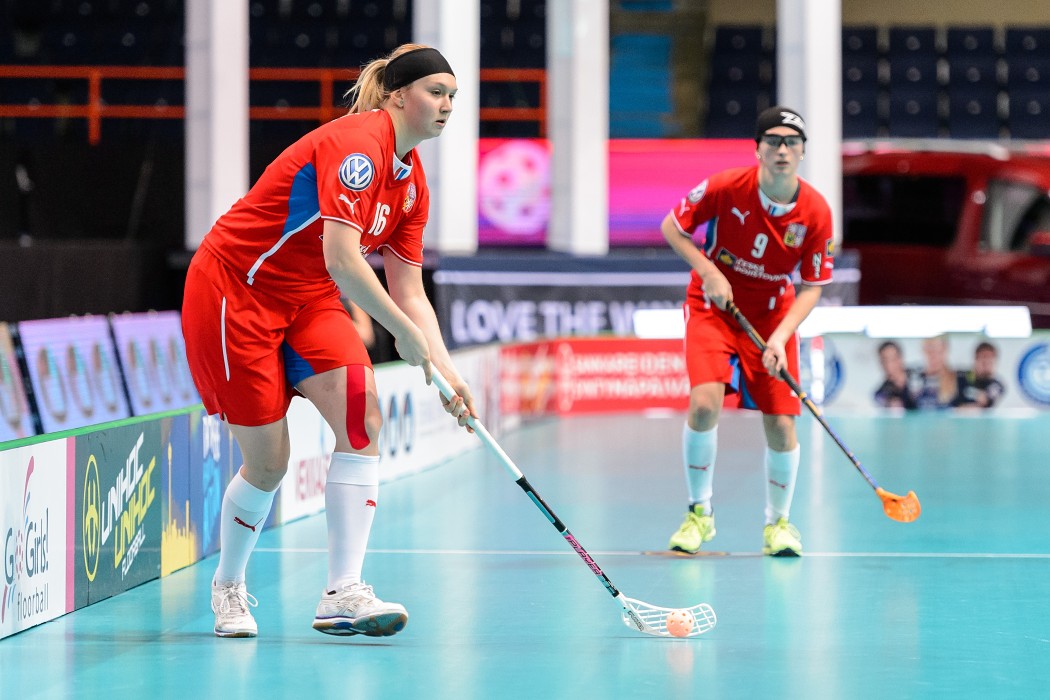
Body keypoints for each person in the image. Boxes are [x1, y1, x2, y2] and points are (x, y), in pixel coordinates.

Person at [181, 44, 476, 639]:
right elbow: (343, 259)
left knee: (362, 415)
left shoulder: (412, 183)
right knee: (269, 463)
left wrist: (446, 371)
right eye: (435, 92)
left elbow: (411, 291)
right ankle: (228, 585)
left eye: (452, 95)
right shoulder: (358, 149)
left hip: (308, 297)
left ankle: (342, 592)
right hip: (237, 287)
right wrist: (402, 333)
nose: (447, 105)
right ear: (398, 96)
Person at [660, 106, 834, 557]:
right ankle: (699, 514)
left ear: (802, 151)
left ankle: (779, 525)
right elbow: (672, 228)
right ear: (758, 149)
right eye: (773, 141)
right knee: (704, 403)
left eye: (791, 142)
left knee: (781, 423)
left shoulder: (816, 211)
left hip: (773, 316)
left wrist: (780, 337)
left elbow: (813, 286)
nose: (782, 149)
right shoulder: (725, 187)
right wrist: (708, 271)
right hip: (714, 307)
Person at [953, 341, 1005, 409]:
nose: (986, 364)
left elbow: (984, 401)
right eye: (983, 360)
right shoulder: (961, 377)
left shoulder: (997, 385)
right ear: (975, 360)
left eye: (990, 361)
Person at [913, 335, 958, 409]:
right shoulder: (915, 379)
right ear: (924, 351)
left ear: (945, 351)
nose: (934, 356)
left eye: (938, 352)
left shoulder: (958, 379)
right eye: (930, 351)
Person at [874, 340, 917, 409]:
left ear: (901, 358)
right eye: (885, 360)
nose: (890, 364)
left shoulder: (919, 376)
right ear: (881, 363)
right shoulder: (881, 394)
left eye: (893, 359)